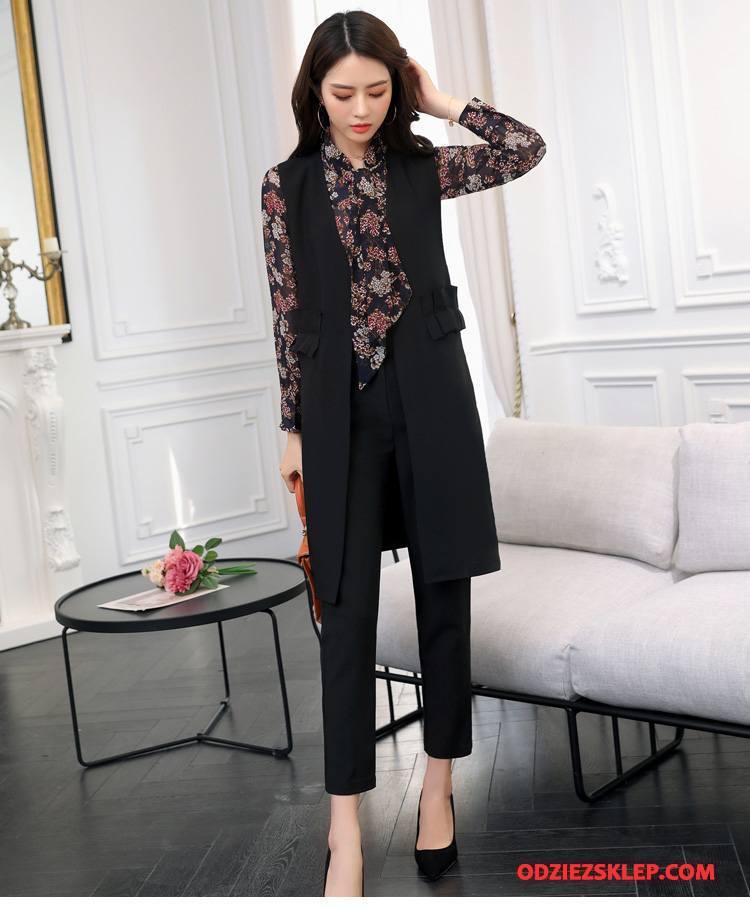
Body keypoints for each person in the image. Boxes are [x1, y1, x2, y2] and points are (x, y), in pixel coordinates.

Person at [261, 10, 546, 896]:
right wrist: (291, 426)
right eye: (343, 93)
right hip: (337, 414)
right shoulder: (285, 186)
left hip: (433, 399)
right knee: (343, 613)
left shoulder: (425, 165)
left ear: (398, 89)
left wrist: (442, 99)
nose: (361, 109)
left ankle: (438, 787)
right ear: (315, 93)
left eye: (379, 92)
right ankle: (344, 828)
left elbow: (525, 148)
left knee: (443, 598)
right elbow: (288, 312)